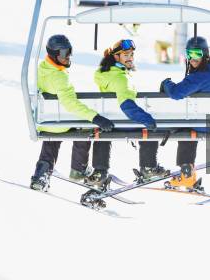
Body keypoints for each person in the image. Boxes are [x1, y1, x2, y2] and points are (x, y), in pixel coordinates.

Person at [30, 35, 115, 192]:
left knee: (52, 138)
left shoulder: (43, 68)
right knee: (85, 128)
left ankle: (41, 173)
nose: (67, 56)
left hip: (47, 123)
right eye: (63, 53)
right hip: (60, 125)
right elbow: (70, 103)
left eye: (69, 52)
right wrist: (95, 117)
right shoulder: (59, 76)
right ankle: (79, 168)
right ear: (54, 55)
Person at [160, 36, 210, 194]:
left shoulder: (199, 77)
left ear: (204, 54)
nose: (192, 59)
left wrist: (166, 83)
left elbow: (176, 93)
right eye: (189, 54)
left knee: (184, 127)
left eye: (196, 54)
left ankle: (187, 173)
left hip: (202, 124)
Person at [94, 39, 169, 181]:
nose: (130, 58)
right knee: (149, 126)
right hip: (123, 122)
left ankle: (100, 171)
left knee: (103, 131)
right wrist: (150, 121)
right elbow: (127, 105)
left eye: (131, 54)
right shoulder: (121, 79)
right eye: (126, 55)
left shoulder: (105, 73)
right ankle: (148, 167)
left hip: (110, 123)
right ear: (116, 57)